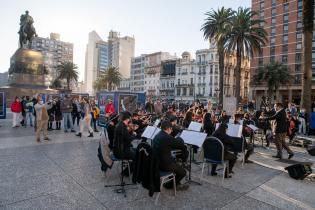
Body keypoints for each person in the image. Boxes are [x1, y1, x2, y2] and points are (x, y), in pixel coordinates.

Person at [152, 120, 189, 191]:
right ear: (168, 129)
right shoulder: (167, 137)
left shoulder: (157, 135)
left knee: (175, 164)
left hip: (156, 162)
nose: (171, 131)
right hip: (164, 165)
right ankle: (169, 185)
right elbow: (180, 143)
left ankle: (175, 183)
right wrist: (179, 137)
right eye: (171, 129)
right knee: (183, 172)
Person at [113, 111, 137, 175]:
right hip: (121, 151)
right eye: (129, 119)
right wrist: (134, 134)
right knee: (137, 155)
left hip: (120, 148)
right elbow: (129, 139)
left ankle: (131, 169)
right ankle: (126, 172)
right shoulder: (122, 127)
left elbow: (125, 137)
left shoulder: (120, 124)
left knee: (136, 150)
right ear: (127, 119)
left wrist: (130, 130)